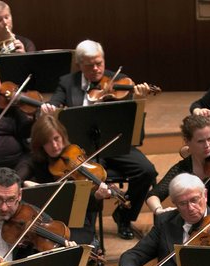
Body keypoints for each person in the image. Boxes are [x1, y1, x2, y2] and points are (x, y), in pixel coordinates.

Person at [43, 39, 157, 240]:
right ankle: (88, 233)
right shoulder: (67, 82)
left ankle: (124, 215)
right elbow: (54, 104)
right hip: (82, 149)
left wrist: (139, 99)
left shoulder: (120, 81)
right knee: (88, 179)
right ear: (79, 65)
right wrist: (49, 108)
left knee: (146, 170)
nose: (96, 69)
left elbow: (132, 121)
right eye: (89, 65)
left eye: (99, 63)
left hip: (115, 143)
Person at [118, 173, 210, 266]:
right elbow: (134, 254)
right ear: (174, 203)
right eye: (183, 203)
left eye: (195, 200)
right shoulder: (165, 222)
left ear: (205, 195)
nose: (190, 208)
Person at [24, 114, 111, 246]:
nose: (54, 145)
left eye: (56, 138)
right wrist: (28, 183)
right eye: (47, 142)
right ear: (40, 144)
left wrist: (97, 197)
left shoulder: (74, 154)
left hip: (77, 222)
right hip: (48, 223)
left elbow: (89, 208)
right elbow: (17, 180)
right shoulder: (36, 162)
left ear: (63, 136)